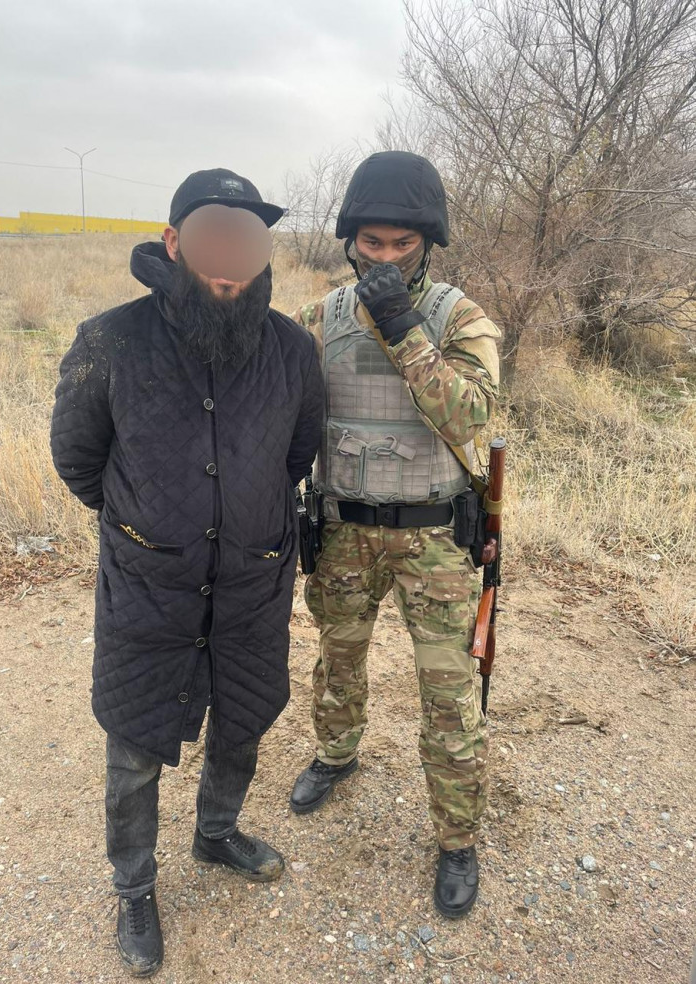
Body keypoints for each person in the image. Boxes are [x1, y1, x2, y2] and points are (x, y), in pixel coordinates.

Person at [51, 168, 324, 976]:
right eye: (214, 238)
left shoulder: (293, 350)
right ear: (175, 242)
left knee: (242, 720)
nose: (231, 261)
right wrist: (151, 526)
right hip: (149, 591)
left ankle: (216, 834)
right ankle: (134, 887)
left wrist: (243, 522)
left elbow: (297, 456)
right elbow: (79, 460)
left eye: (248, 241)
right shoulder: (109, 341)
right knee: (135, 743)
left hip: (252, 584)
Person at [289, 151, 502, 919]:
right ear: (350, 240)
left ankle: (457, 839)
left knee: (448, 697)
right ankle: (335, 755)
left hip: (434, 538)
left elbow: (471, 416)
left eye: (402, 244)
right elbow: (284, 413)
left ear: (428, 243)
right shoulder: (321, 318)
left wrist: (407, 331)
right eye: (371, 243)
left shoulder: (459, 318)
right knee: (337, 662)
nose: (384, 258)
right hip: (344, 529)